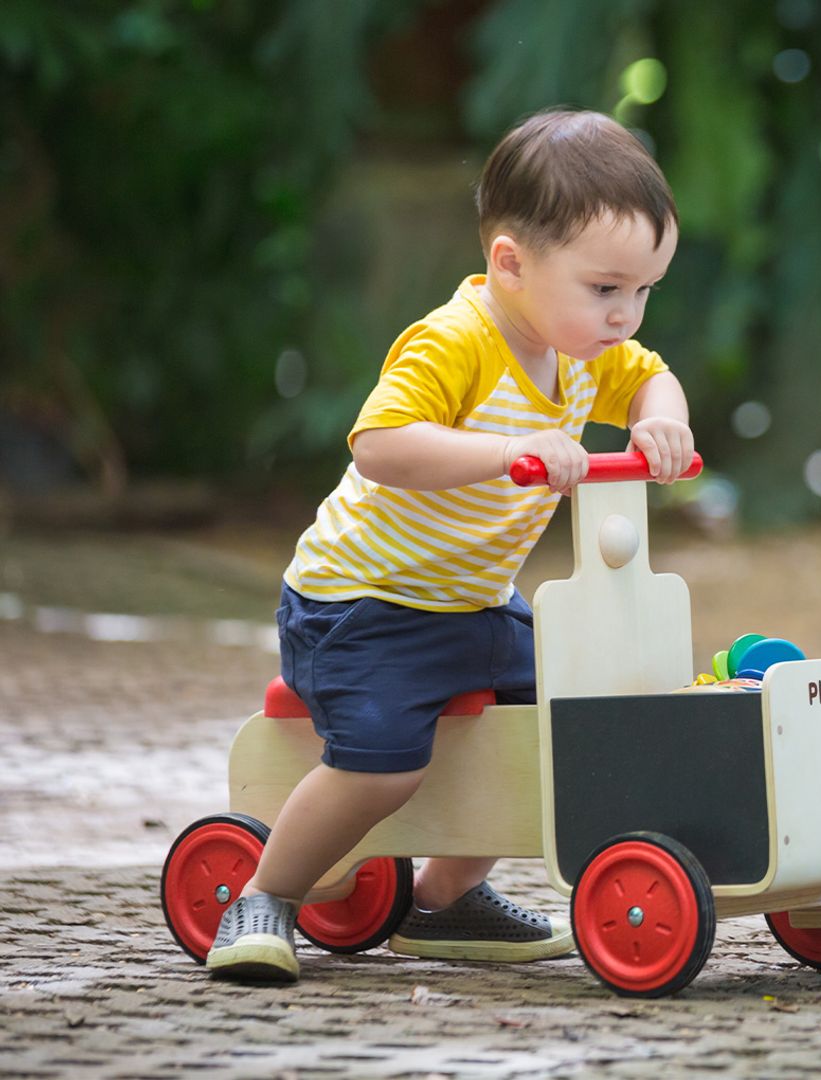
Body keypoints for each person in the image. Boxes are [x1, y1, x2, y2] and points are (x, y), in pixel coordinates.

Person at [207, 107, 696, 982]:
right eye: (605, 288)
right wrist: (509, 452)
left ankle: (443, 898)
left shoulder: (585, 349)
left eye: (645, 291)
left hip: (472, 605)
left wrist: (663, 423)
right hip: (360, 606)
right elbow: (380, 444)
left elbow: (650, 377)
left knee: (572, 725)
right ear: (511, 264)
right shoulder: (458, 341)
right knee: (384, 771)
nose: (626, 315)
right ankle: (265, 895)